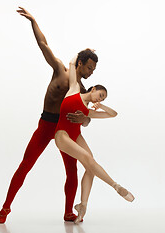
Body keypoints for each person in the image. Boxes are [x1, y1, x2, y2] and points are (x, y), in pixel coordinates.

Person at [0, 7, 98, 224]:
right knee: (25, 165)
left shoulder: (81, 90)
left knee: (72, 170)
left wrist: (85, 120)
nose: (91, 72)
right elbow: (44, 45)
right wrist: (33, 21)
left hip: (65, 129)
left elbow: (89, 117)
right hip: (45, 125)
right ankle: (5, 208)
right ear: (80, 63)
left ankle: (68, 211)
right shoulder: (60, 70)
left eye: (93, 70)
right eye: (89, 67)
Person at [54, 56, 135, 224]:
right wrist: (85, 52)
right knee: (88, 159)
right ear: (92, 89)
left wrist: (102, 107)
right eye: (100, 95)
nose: (100, 99)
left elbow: (113, 114)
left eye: (103, 98)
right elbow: (71, 63)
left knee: (90, 167)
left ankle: (82, 206)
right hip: (62, 134)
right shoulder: (74, 89)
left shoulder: (88, 112)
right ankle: (115, 186)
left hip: (76, 136)